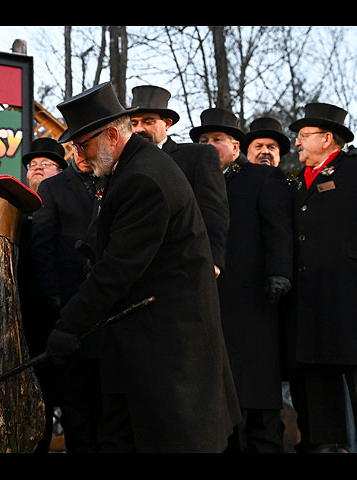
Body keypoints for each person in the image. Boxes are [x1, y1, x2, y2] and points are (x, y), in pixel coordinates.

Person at [45, 82, 240, 453]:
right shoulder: (134, 169)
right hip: (140, 347)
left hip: (169, 351)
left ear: (113, 134)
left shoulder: (142, 178)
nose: (80, 156)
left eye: (83, 144)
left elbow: (118, 268)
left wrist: (69, 325)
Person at [192, 107, 294, 452]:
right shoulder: (195, 182)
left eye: (217, 140)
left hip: (255, 298)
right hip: (209, 299)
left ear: (236, 147)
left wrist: (279, 271)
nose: (209, 146)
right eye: (203, 140)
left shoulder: (262, 178)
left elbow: (277, 228)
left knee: (257, 386)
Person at [286, 102, 357, 453]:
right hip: (310, 296)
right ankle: (326, 442)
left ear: (327, 138)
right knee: (317, 369)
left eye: (304, 137)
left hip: (352, 291)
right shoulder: (296, 181)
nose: (297, 144)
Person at [29, 138, 102, 453]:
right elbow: (41, 248)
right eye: (78, 149)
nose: (84, 156)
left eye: (90, 148)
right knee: (75, 398)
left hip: (108, 305)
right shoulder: (54, 187)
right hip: (68, 306)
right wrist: (53, 296)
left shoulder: (113, 182)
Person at [129, 85, 229, 276]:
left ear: (167, 124)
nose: (140, 129)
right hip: (136, 267)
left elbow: (213, 209)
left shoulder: (196, 156)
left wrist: (213, 258)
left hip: (181, 264)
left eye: (148, 122)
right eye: (134, 123)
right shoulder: (124, 164)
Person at [16, 137, 67, 453]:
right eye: (33, 165)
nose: (37, 169)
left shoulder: (74, 200)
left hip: (61, 309)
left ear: (61, 170)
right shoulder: (16, 205)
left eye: (45, 164)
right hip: (23, 311)